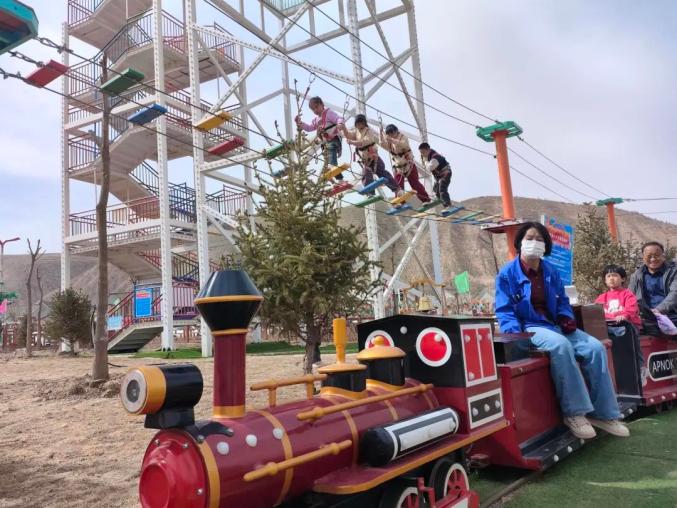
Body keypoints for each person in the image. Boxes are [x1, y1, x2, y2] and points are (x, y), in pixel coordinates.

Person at [495, 222, 629, 439]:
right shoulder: (506, 274)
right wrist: (515, 334)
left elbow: (562, 301)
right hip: (530, 326)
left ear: (546, 245)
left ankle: (604, 414)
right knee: (561, 345)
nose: (534, 243)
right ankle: (574, 413)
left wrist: (566, 317)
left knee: (595, 348)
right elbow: (505, 310)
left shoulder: (550, 271)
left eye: (540, 239)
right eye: (529, 238)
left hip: (554, 325)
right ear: (519, 242)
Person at [595, 264, 646, 386]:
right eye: (608, 276)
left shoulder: (628, 294)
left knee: (631, 341)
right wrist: (610, 317)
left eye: (615, 275)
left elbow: (631, 310)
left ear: (622, 278)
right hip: (611, 327)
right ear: (605, 280)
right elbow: (596, 311)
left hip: (628, 326)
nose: (611, 278)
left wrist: (623, 315)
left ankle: (641, 368)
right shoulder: (602, 297)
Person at [339, 115, 400, 196]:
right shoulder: (357, 131)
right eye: (358, 123)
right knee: (366, 173)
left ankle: (396, 188)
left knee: (382, 173)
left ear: (364, 123)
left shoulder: (368, 131)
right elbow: (348, 135)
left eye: (361, 123)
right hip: (365, 160)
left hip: (374, 158)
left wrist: (353, 142)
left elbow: (364, 142)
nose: (359, 125)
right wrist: (344, 128)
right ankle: (370, 192)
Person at [628, 241, 677, 336]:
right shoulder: (637, 275)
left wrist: (658, 310)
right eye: (649, 256)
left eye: (657, 256)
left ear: (663, 256)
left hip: (671, 315)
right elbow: (630, 296)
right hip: (646, 317)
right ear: (643, 257)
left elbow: (675, 294)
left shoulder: (673, 272)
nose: (653, 259)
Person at [295, 96, 344, 179]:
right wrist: (300, 123)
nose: (315, 110)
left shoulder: (328, 113)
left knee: (331, 151)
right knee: (329, 158)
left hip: (334, 139)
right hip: (326, 142)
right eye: (313, 109)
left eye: (316, 107)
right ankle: (339, 178)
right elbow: (309, 128)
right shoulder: (316, 120)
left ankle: (333, 168)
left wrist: (340, 123)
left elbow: (338, 118)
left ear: (322, 104)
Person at [379, 124, 430, 203]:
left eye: (392, 133)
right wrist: (381, 133)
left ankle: (425, 200)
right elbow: (382, 144)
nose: (391, 135)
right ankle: (400, 202)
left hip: (409, 165)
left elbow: (403, 144)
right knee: (398, 185)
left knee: (415, 184)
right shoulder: (390, 143)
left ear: (396, 131)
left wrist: (391, 139)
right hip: (399, 167)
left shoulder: (403, 137)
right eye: (389, 134)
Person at [418, 142, 452, 209]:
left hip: (445, 173)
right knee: (436, 189)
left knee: (442, 188)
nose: (422, 154)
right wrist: (425, 161)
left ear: (428, 150)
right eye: (421, 153)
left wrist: (425, 162)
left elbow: (430, 168)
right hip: (439, 176)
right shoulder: (428, 157)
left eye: (423, 152)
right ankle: (441, 200)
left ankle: (448, 205)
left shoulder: (435, 157)